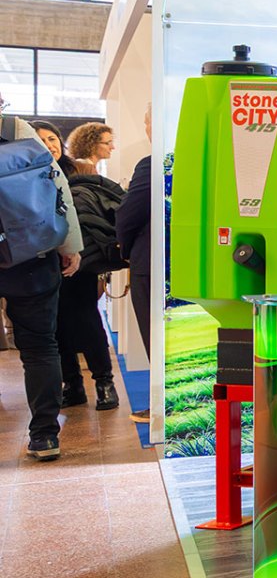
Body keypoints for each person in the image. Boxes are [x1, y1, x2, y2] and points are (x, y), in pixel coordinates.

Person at [0, 94, 84, 460]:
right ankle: (45, 435)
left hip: (26, 253)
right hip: (30, 253)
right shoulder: (16, 129)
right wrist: (70, 245)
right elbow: (56, 186)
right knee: (39, 348)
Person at [58, 155, 125, 411]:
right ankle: (72, 385)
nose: (49, 145)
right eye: (43, 140)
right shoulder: (31, 172)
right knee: (56, 325)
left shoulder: (77, 169)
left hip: (81, 260)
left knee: (86, 320)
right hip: (42, 259)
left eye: (53, 139)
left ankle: (104, 383)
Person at [116, 110, 155, 424]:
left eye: (147, 121)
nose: (145, 128)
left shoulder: (152, 165)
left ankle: (162, 408)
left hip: (151, 263)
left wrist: (124, 249)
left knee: (155, 335)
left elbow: (129, 214)